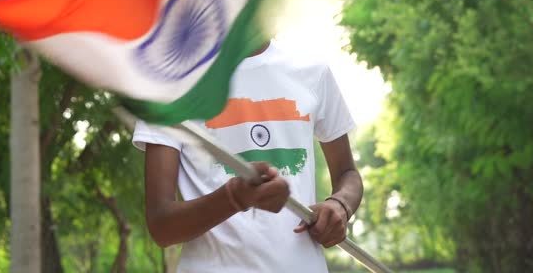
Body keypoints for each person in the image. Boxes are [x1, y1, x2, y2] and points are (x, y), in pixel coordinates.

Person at [132, 40, 363, 272]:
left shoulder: (313, 70)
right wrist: (234, 198)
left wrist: (340, 205)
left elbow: (347, 173)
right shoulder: (172, 80)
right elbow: (161, 225)